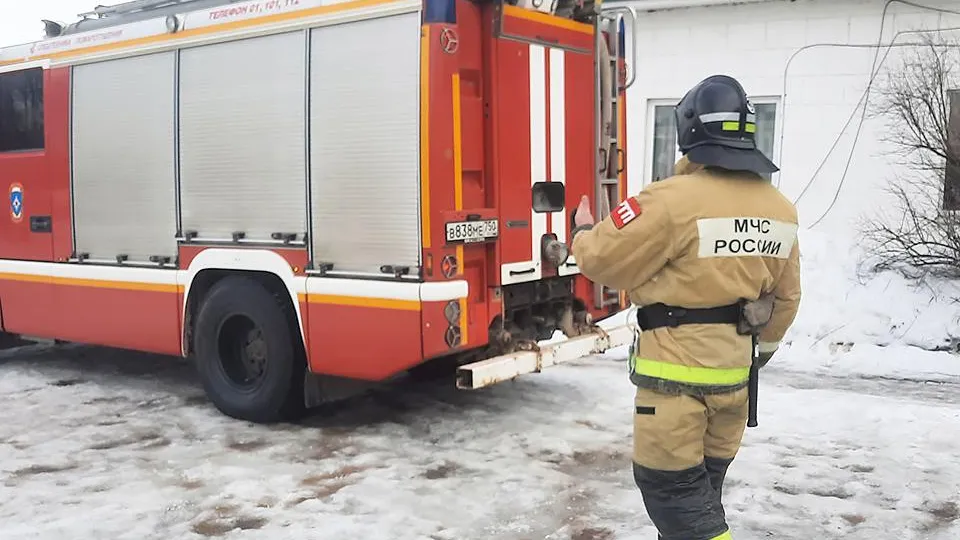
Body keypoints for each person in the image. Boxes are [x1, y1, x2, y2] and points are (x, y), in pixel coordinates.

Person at [569, 74, 802, 540]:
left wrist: (582, 231)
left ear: (690, 129)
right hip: (735, 387)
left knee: (673, 496)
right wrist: (757, 354)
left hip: (673, 386)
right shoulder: (781, 210)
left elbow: (601, 259)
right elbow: (787, 297)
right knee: (701, 496)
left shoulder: (670, 201)